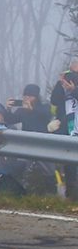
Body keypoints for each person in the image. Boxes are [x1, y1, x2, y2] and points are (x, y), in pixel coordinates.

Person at [49, 65, 78, 198]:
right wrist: (60, 83)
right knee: (69, 167)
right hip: (68, 132)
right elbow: (54, 100)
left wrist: (74, 90)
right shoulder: (62, 87)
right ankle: (72, 197)